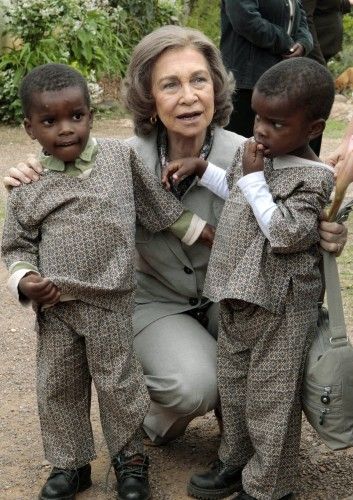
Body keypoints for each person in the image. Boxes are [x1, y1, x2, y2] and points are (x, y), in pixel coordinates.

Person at [3, 26, 348, 449]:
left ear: (216, 88)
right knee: (195, 385)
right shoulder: (119, 160)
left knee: (272, 339)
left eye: (199, 80)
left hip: (233, 299)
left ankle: (241, 429)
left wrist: (326, 233)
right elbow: (60, 173)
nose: (189, 96)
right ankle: (148, 408)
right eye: (171, 84)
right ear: (148, 98)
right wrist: (31, 176)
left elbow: (295, 218)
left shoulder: (256, 153)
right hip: (155, 304)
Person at [0, 63, 211, 500]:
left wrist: (198, 229)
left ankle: (130, 460)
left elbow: (156, 206)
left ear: (91, 115)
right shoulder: (28, 187)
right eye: (49, 121)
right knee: (58, 386)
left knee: (120, 384)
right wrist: (25, 280)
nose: (65, 130)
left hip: (112, 302)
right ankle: (70, 464)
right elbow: (15, 246)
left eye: (76, 116)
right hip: (57, 306)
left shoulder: (118, 158)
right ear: (29, 128)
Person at [162, 58, 336, 499]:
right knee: (235, 389)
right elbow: (239, 187)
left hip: (280, 307)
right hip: (238, 296)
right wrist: (206, 171)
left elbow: (285, 233)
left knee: (270, 400)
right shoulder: (262, 157)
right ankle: (235, 461)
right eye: (257, 116)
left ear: (312, 129)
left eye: (275, 123)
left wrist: (257, 179)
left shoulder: (315, 179)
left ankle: (268, 486)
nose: (260, 129)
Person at [220, 0, 313, 139]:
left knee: (266, 150)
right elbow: (245, 20)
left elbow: (301, 21)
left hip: (277, 81)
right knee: (238, 149)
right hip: (244, 82)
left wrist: (303, 44)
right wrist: (287, 43)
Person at [302, 0, 352, 155]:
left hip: (323, 56)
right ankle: (305, 162)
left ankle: (312, 161)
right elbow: (306, 19)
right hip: (312, 59)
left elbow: (331, 7)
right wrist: (318, 61)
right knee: (310, 113)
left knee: (318, 113)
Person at [302, 0, 352, 66]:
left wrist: (348, 3)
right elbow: (305, 19)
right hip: (316, 54)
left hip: (328, 53)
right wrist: (317, 59)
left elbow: (329, 6)